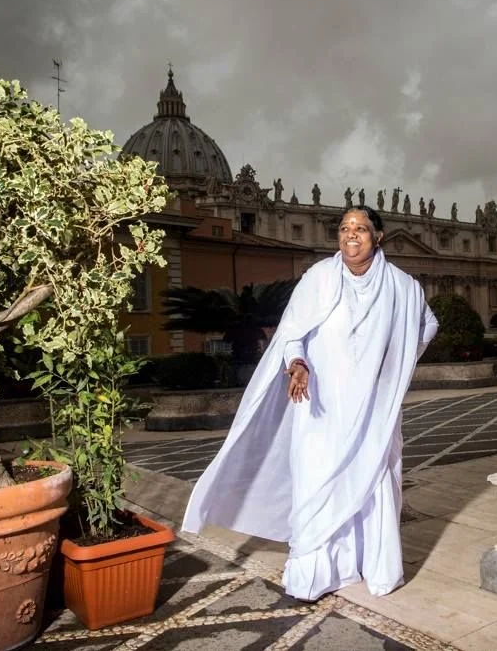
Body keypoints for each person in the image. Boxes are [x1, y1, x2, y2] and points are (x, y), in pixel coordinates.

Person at [182, 206, 439, 602]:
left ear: (378, 237)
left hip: (373, 409)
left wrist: (394, 366)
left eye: (360, 228)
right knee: (315, 483)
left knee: (372, 480)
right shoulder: (318, 278)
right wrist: (297, 363)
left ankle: (371, 565)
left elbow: (426, 325)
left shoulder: (403, 287)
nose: (350, 234)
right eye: (344, 228)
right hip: (319, 405)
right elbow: (291, 333)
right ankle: (317, 573)